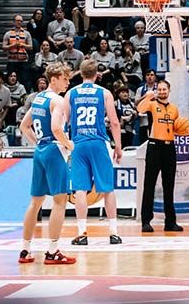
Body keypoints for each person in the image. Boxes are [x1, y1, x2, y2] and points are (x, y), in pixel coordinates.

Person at [18, 63, 76, 265]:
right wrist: (69, 146)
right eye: (65, 78)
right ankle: (52, 251)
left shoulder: (38, 98)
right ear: (54, 79)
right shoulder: (57, 101)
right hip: (54, 151)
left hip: (41, 151)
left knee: (35, 202)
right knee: (60, 202)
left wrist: (40, 143)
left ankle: (25, 250)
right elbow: (56, 129)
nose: (68, 82)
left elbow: (24, 126)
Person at [67, 59, 124, 246]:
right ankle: (113, 233)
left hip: (78, 143)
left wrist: (65, 143)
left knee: (80, 189)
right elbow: (115, 122)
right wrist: (118, 146)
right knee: (107, 188)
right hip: (99, 142)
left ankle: (82, 233)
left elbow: (64, 121)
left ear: (80, 74)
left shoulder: (71, 93)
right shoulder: (104, 93)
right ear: (97, 75)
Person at [137, 80, 189, 233]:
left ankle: (170, 222)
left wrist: (187, 131)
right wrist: (147, 97)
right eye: (159, 89)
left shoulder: (174, 109)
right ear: (157, 90)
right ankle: (146, 221)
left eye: (164, 89)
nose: (162, 92)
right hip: (154, 146)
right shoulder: (151, 104)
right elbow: (139, 109)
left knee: (169, 186)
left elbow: (177, 128)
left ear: (169, 90)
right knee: (149, 185)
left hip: (170, 148)